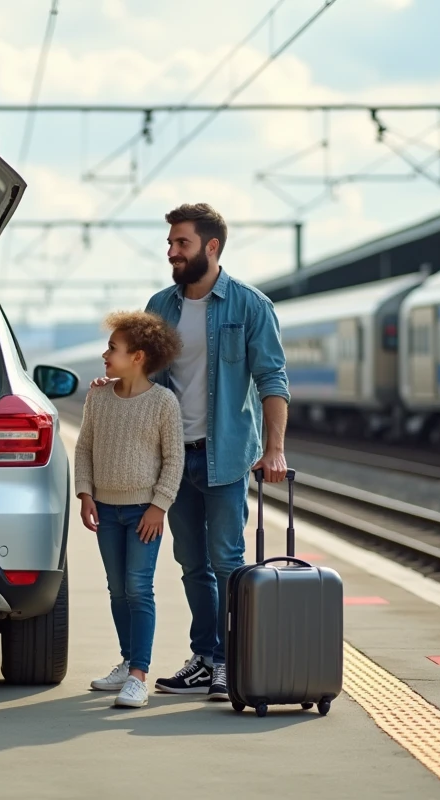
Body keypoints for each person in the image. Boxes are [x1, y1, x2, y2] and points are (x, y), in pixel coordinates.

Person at [90, 203, 290, 702]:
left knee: (227, 561)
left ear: (212, 247)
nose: (172, 252)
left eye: (182, 243)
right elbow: (146, 371)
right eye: (171, 243)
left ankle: (228, 660)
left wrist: (275, 451)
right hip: (173, 460)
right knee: (191, 563)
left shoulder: (250, 306)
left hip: (225, 455)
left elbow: (273, 380)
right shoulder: (161, 304)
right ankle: (205, 657)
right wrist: (114, 379)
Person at [75, 311, 185, 709]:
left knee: (139, 590)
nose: (106, 355)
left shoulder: (163, 403)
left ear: (137, 356)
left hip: (143, 512)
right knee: (117, 590)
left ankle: (139, 674)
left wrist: (159, 506)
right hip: (105, 509)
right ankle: (126, 662)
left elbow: (174, 460)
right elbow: (84, 448)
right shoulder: (98, 397)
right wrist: (85, 494)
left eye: (113, 349)